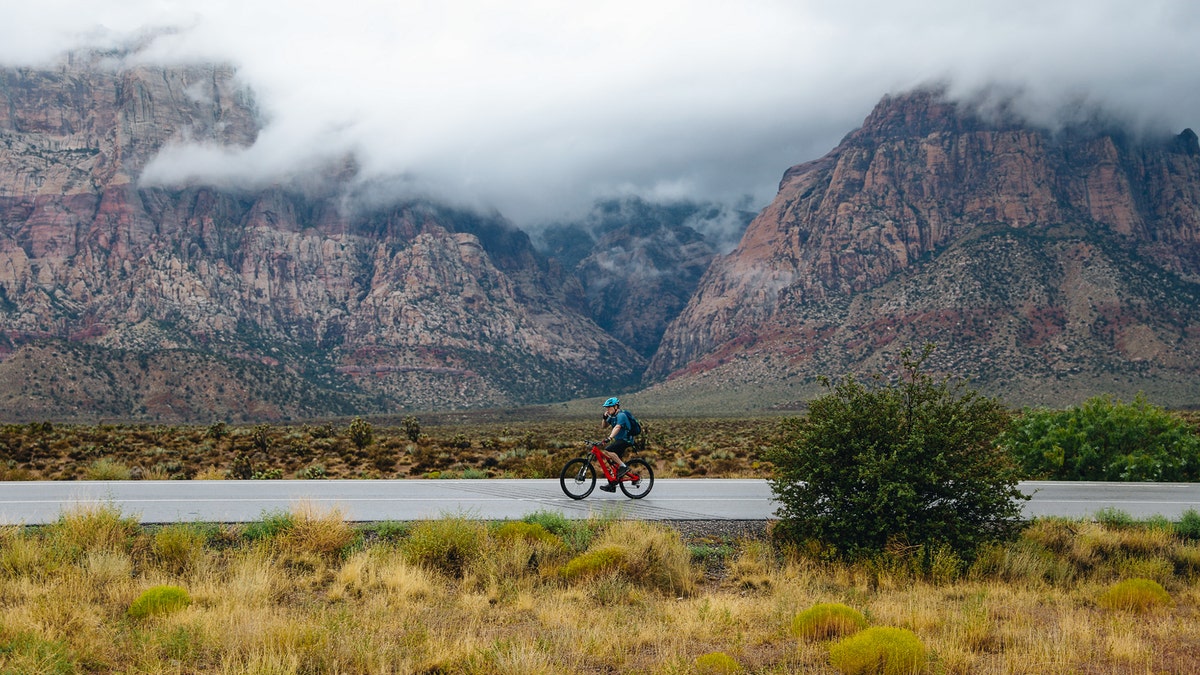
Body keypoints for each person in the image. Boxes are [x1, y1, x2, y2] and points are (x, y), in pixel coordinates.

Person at [597, 397, 633, 492]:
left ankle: (624, 467)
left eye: (609, 407)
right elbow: (604, 426)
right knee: (613, 463)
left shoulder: (621, 415)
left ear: (616, 406)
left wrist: (610, 438)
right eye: (607, 408)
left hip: (626, 440)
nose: (607, 409)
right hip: (619, 440)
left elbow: (617, 427)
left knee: (608, 450)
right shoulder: (612, 417)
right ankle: (612, 485)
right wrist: (604, 418)